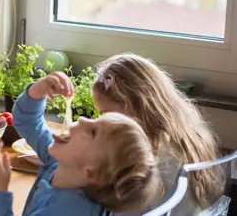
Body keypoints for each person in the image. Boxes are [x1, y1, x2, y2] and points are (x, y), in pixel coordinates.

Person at [0, 72, 161, 215]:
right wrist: (38, 90)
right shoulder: (59, 164)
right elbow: (28, 122)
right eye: (94, 120)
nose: (82, 120)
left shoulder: (67, 210)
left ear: (90, 171)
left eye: (92, 131)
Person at [92, 53, 225, 214]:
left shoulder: (145, 159)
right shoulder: (181, 133)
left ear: (132, 107)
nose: (103, 121)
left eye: (106, 114)